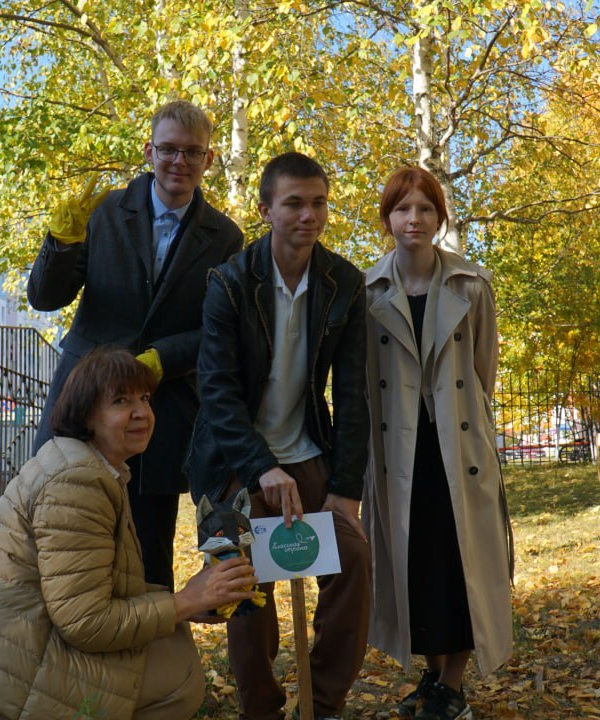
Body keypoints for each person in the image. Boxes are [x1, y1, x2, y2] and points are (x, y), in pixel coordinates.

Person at [0, 348, 257, 720]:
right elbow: (85, 622)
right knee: (180, 678)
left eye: (145, 398)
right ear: (86, 414)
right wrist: (185, 602)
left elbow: (90, 588)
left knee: (172, 640)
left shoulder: (87, 465)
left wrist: (189, 602)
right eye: (121, 401)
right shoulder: (77, 481)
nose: (141, 412)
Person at [27, 100, 245, 590]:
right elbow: (45, 298)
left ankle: (157, 638)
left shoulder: (225, 238)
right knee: (61, 533)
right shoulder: (102, 212)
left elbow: (219, 330)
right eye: (168, 149)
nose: (179, 162)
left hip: (158, 410)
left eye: (192, 152)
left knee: (148, 555)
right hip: (84, 400)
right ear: (149, 151)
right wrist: (60, 244)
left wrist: (163, 358)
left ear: (209, 159)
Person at [187, 152, 371, 720]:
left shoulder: (345, 283)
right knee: (242, 583)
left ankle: (323, 704)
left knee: (353, 559)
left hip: (309, 454)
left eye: (319, 203)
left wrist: (345, 490)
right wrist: (261, 466)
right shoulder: (229, 282)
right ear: (266, 210)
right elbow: (217, 391)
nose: (309, 215)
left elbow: (354, 395)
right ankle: (261, 709)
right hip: (232, 462)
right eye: (294, 204)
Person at [361, 167, 513, 720]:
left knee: (461, 564)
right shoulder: (366, 291)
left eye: (426, 208)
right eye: (403, 209)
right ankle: (432, 673)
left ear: (440, 217)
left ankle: (453, 684)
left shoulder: (472, 285)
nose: (414, 219)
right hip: (398, 455)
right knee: (413, 564)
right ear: (387, 219)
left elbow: (482, 375)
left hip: (460, 451)